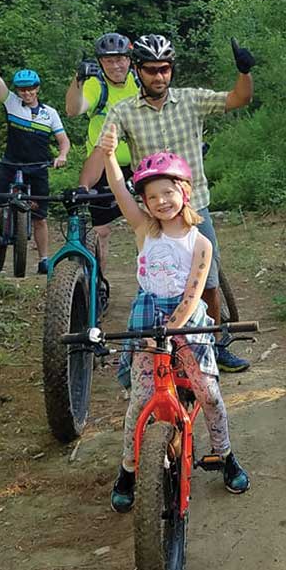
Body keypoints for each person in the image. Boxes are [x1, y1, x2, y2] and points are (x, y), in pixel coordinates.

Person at [92, 125, 249, 512]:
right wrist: (111, 155)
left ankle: (225, 454)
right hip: (148, 311)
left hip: (187, 316)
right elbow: (116, 188)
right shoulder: (145, 230)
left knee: (208, 392)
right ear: (144, 201)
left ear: (184, 192)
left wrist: (175, 327)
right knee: (140, 399)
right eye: (152, 195)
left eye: (169, 192)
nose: (162, 201)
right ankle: (129, 468)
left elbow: (195, 290)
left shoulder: (201, 242)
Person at [95, 33, 256, 373]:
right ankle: (156, 349)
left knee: (208, 282)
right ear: (138, 70)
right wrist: (89, 178)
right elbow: (104, 151)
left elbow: (240, 98)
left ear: (172, 70)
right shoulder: (123, 111)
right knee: (158, 281)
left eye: (165, 69)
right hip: (154, 214)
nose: (159, 76)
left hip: (195, 209)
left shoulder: (191, 100)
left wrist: (244, 70)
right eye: (151, 70)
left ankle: (213, 343)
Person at [0, 34, 70, 274]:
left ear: (37, 89)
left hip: (38, 167)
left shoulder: (50, 113)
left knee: (40, 217)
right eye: (22, 89)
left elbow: (63, 141)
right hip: (10, 165)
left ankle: (44, 259)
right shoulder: (11, 103)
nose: (26, 93)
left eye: (30, 89)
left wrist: (62, 155)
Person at [65, 32, 140, 256]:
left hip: (140, 163)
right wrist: (78, 80)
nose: (116, 66)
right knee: (101, 231)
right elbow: (73, 110)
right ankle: (97, 285)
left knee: (150, 224)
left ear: (129, 59)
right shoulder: (96, 85)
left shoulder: (139, 81)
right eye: (109, 61)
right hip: (104, 167)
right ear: (100, 63)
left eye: (120, 59)